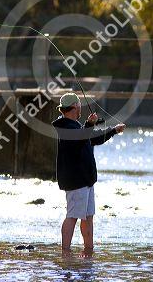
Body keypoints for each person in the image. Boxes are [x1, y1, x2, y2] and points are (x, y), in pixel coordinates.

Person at [52, 92, 126, 256]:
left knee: (88, 216)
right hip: (76, 180)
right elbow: (80, 139)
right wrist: (89, 124)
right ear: (75, 107)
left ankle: (88, 249)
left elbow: (93, 137)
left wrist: (113, 130)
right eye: (79, 107)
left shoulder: (77, 126)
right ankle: (65, 252)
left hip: (86, 180)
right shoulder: (64, 126)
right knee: (72, 216)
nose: (80, 109)